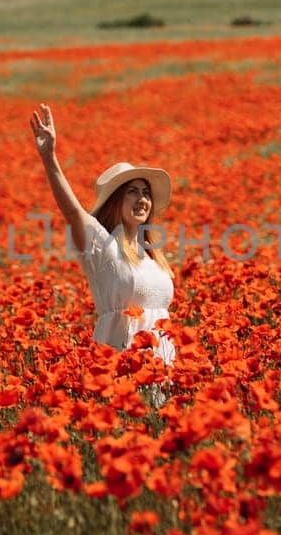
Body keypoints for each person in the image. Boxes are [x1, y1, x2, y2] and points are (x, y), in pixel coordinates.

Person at [27, 102, 176, 371]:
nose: (142, 199)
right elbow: (72, 212)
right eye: (132, 191)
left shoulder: (154, 257)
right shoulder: (103, 246)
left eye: (146, 193)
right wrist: (49, 158)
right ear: (115, 202)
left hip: (161, 363)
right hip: (119, 361)